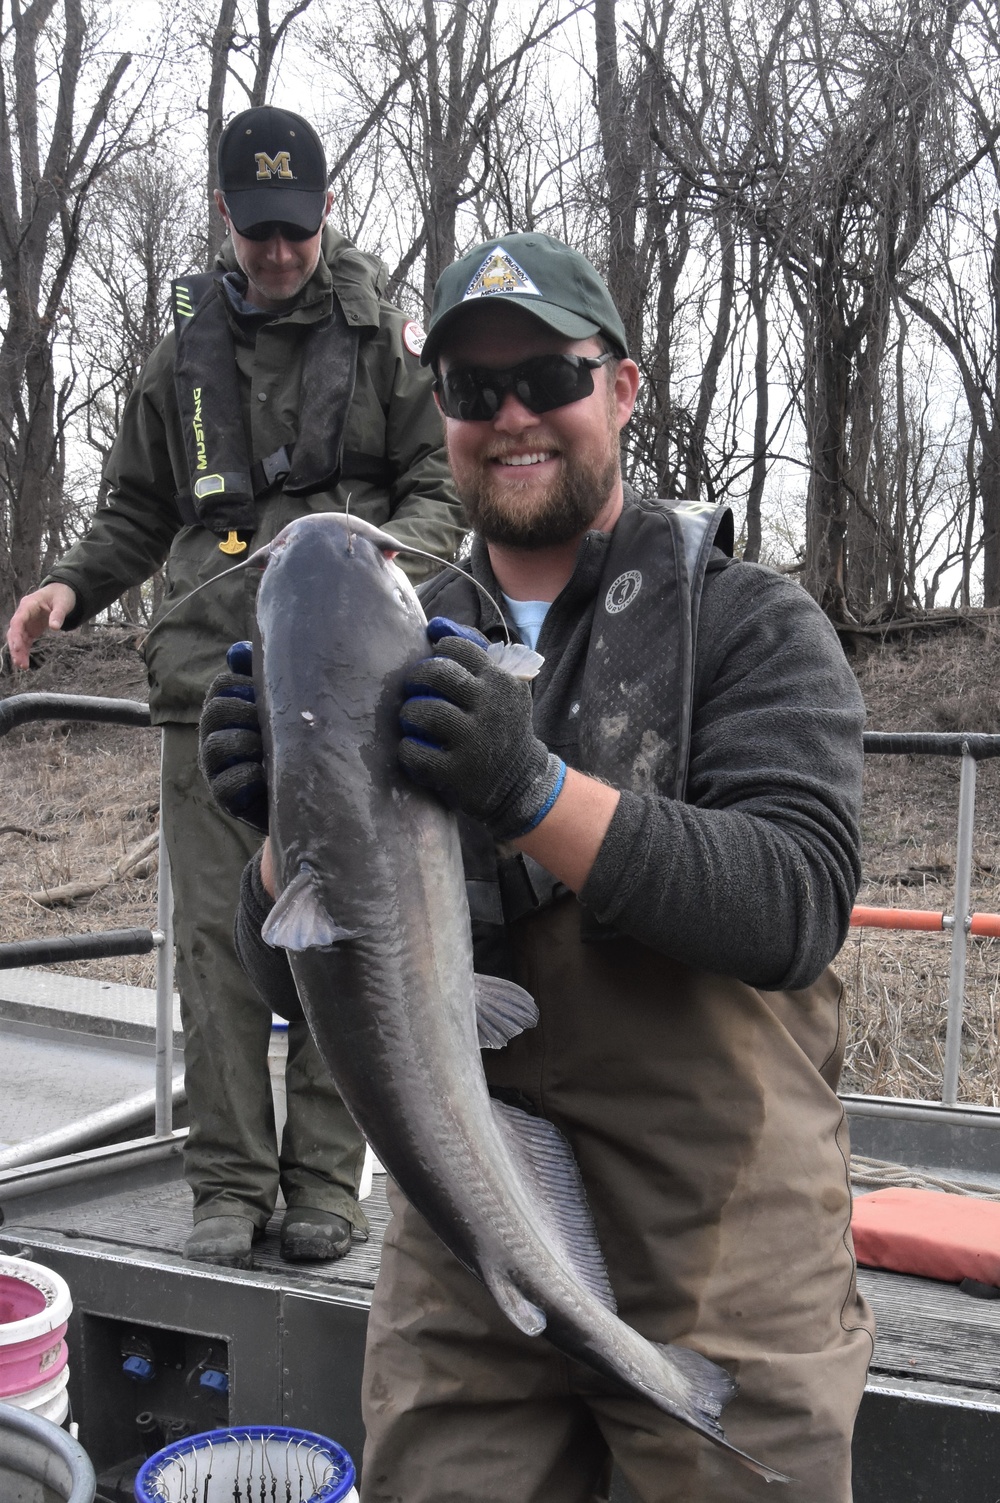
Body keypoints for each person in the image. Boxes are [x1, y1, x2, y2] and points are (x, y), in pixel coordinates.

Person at [218, 232, 874, 1498]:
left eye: (548, 379)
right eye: (472, 390)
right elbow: (299, 987)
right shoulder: (387, 636)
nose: (510, 416)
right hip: (458, 1250)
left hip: (728, 1247)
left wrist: (526, 790)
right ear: (442, 415)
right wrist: (279, 833)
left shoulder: (749, 623)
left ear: (621, 389)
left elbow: (794, 902)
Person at [4, 106, 464, 1272]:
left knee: (343, 924)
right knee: (218, 938)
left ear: (324, 214)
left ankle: (322, 1177)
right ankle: (227, 1181)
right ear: (226, 217)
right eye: (258, 233)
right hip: (212, 672)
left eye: (296, 232)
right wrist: (66, 587)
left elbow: (438, 486)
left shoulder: (383, 342)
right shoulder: (182, 351)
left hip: (349, 679)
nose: (278, 253)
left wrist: (386, 558)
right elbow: (133, 512)